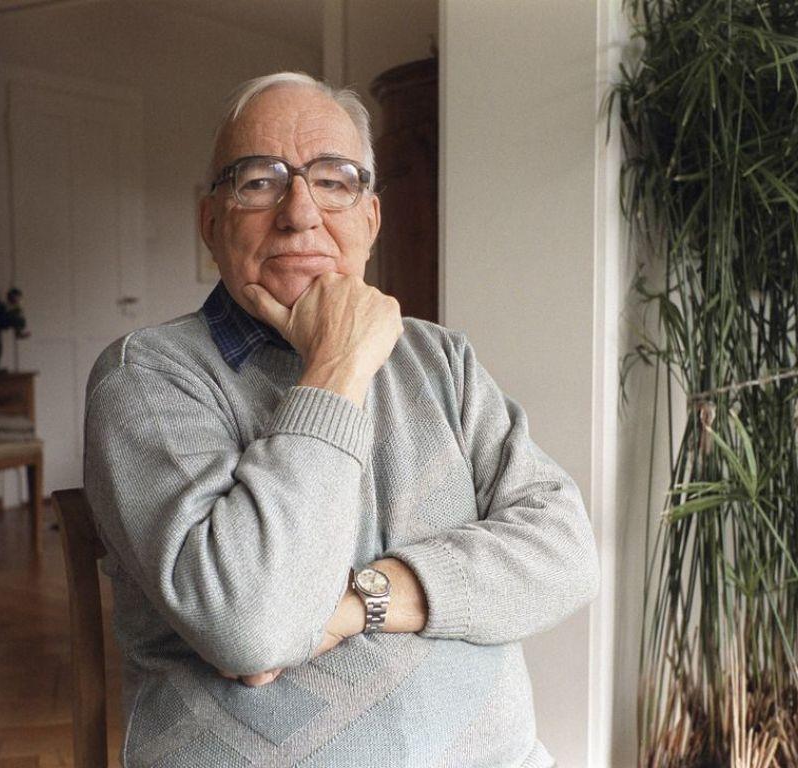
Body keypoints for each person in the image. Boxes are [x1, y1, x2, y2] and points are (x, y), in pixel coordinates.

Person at [84, 71, 599, 768]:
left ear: (371, 220)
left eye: (333, 181)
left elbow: (566, 553)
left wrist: (361, 601)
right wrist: (338, 366)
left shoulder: (440, 358)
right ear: (211, 223)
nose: (300, 213)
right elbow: (254, 625)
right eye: (259, 181)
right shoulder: (145, 375)